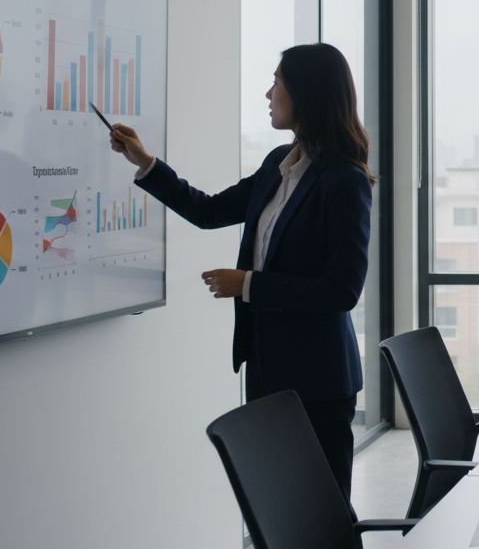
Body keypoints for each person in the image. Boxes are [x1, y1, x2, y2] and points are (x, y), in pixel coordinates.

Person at [107, 43, 374, 509]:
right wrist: (144, 162)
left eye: (278, 82)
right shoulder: (278, 164)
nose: (269, 93)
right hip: (267, 369)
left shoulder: (343, 181)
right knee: (277, 509)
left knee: (321, 513)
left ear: (306, 93)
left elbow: (342, 290)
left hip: (318, 379)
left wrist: (246, 284)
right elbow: (209, 210)